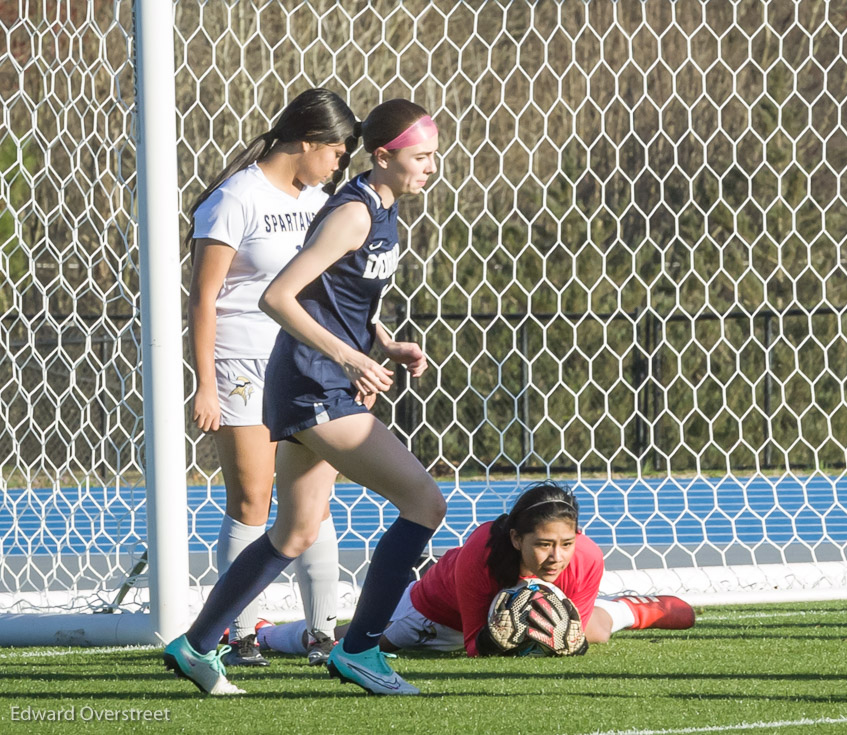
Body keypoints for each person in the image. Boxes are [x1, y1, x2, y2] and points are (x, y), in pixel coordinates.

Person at [164, 99, 448, 696]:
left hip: (318, 378)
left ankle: (195, 646)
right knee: (425, 502)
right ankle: (361, 649)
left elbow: (336, 301)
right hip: (315, 384)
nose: (432, 166)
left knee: (294, 531)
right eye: (421, 157)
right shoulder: (351, 213)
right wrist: (350, 359)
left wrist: (386, 344)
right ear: (384, 157)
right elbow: (279, 297)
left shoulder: (380, 207)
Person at [188, 88, 357, 667]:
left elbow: (327, 289)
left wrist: (371, 344)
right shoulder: (234, 199)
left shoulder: (320, 201)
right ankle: (234, 633)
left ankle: (321, 634)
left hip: (304, 363)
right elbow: (205, 300)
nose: (339, 162)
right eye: (335, 149)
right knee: (254, 500)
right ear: (307, 142)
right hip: (242, 364)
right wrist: (205, 383)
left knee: (315, 501)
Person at [256, 483, 696, 657]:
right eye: (543, 545)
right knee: (349, 644)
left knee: (595, 629)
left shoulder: (587, 556)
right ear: (516, 539)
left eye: (565, 543)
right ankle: (264, 632)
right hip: (433, 614)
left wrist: (568, 639)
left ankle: (638, 610)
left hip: (500, 615)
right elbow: (474, 646)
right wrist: (521, 634)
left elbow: (574, 635)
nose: (557, 557)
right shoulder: (482, 551)